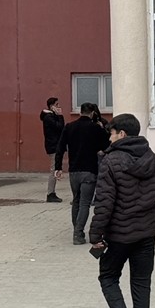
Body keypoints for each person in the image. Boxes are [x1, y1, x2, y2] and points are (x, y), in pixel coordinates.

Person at [88, 113, 155, 308]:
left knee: (107, 277)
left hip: (117, 236)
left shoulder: (111, 161)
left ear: (122, 134)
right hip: (145, 236)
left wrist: (95, 235)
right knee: (141, 285)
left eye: (111, 133)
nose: (110, 137)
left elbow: (104, 203)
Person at [54, 102, 110, 245]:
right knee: (85, 203)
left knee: (76, 201)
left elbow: (60, 148)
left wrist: (58, 167)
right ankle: (78, 233)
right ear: (91, 113)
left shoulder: (69, 127)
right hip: (89, 170)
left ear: (80, 112)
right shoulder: (95, 129)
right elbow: (107, 145)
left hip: (74, 171)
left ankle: (77, 231)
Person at [39, 97, 65, 203]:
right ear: (51, 106)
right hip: (53, 146)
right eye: (57, 105)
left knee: (55, 169)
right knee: (54, 169)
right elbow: (60, 127)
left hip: (54, 145)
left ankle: (52, 193)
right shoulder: (49, 118)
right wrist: (60, 116)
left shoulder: (50, 116)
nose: (59, 107)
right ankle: (50, 193)